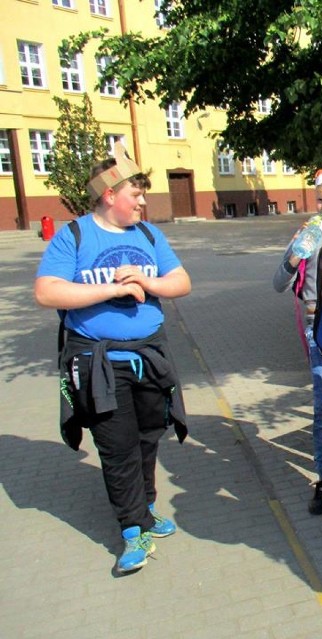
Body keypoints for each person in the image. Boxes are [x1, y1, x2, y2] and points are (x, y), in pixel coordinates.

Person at [34, 143, 192, 573]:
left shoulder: (148, 236)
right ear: (109, 195)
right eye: (135, 193)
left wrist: (145, 279)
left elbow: (181, 282)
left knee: (147, 437)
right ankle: (131, 528)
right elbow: (47, 291)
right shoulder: (75, 235)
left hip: (150, 357)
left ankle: (146, 508)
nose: (143, 200)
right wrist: (113, 289)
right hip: (99, 364)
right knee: (116, 445)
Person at [273, 164, 322, 515]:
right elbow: (278, 281)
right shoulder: (306, 235)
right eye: (319, 199)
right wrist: (296, 254)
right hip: (315, 325)